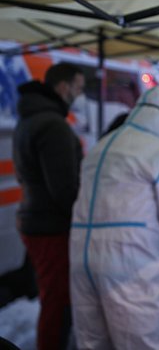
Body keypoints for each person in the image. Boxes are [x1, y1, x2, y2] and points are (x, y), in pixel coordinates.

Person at [69, 86, 159, 349]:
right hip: (128, 265)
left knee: (92, 342)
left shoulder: (101, 146)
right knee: (140, 342)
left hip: (82, 261)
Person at [12, 62, 85, 350]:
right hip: (51, 226)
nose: (80, 95)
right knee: (58, 302)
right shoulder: (53, 125)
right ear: (64, 87)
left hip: (35, 219)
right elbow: (64, 189)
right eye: (78, 88)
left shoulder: (31, 118)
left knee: (52, 298)